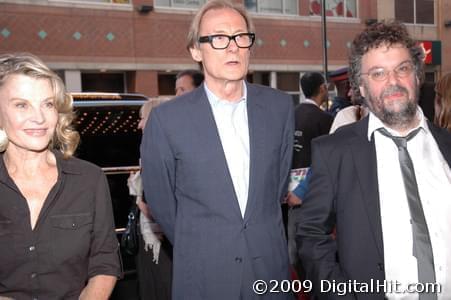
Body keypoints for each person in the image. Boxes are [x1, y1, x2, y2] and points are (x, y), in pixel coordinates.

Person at [140, 0, 294, 298]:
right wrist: (204, 240)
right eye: (219, 38)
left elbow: (275, 189)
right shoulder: (167, 120)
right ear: (196, 50)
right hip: (203, 275)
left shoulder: (279, 107)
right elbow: (162, 204)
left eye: (241, 37)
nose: (233, 47)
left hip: (269, 274)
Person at [296, 21, 451, 299]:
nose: (393, 81)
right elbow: (310, 235)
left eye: (402, 69)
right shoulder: (334, 153)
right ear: (362, 88)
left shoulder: (447, 146)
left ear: (416, 77)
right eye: (378, 73)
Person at [0, 53, 121, 299]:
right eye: (22, 105)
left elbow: (105, 261)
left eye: (48, 104)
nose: (39, 118)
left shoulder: (88, 179)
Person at [287, 72, 333, 271]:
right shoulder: (325, 120)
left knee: (293, 246)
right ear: (322, 88)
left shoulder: (290, 115)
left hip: (288, 194)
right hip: (316, 193)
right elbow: (330, 160)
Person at [128, 99, 172, 300]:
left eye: (142, 118)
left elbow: (161, 211)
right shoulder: (161, 150)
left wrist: (136, 196)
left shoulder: (157, 154)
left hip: (161, 245)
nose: (139, 124)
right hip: (156, 243)